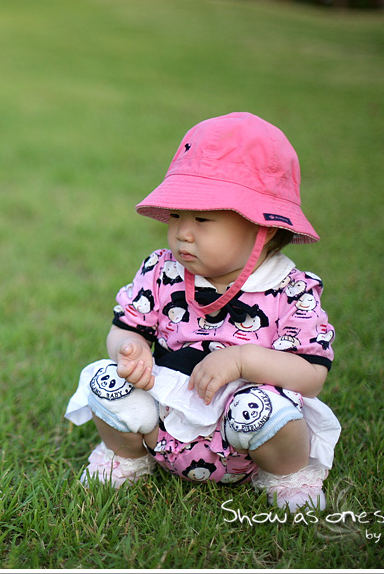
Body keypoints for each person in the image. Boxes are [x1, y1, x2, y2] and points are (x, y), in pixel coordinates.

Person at [64, 112, 341, 511]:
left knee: (268, 412)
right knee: (105, 380)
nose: (182, 232)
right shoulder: (162, 271)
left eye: (203, 219)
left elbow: (312, 377)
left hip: (245, 430)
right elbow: (126, 327)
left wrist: (244, 359)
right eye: (176, 215)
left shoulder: (291, 291)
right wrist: (131, 350)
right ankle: (129, 456)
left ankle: (287, 475)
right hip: (164, 420)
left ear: (262, 229)